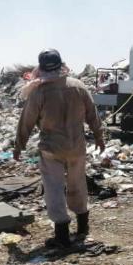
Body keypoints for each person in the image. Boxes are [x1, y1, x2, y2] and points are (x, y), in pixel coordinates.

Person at [14, 49, 105, 248]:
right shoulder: (78, 86)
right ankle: (82, 226)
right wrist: (99, 137)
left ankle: (62, 234)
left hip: (52, 149)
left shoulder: (39, 92)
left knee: (54, 188)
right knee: (78, 184)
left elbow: (27, 121)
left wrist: (19, 145)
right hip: (76, 146)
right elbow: (93, 114)